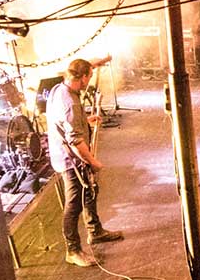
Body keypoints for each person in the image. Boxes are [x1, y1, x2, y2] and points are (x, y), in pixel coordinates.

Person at [46, 59, 124, 268]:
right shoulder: (70, 102)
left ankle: (95, 231)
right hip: (70, 160)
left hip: (65, 154)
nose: (89, 81)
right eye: (88, 77)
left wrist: (85, 121)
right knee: (74, 203)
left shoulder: (58, 88)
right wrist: (93, 161)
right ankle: (72, 250)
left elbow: (63, 123)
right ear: (82, 77)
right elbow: (75, 141)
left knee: (89, 191)